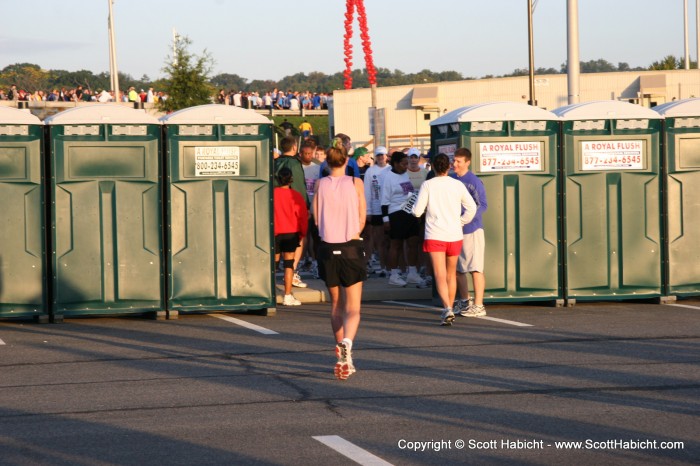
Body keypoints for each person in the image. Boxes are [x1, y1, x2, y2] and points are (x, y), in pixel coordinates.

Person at [314, 138, 367, 381]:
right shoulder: (356, 182)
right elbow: (362, 217)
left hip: (327, 246)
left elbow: (315, 218)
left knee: (336, 304)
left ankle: (341, 354)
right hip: (351, 245)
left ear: (327, 161)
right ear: (346, 161)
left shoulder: (320, 184)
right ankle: (347, 343)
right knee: (353, 306)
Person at [411, 153, 476, 325]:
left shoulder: (428, 185)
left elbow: (417, 211)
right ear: (448, 167)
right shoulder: (457, 185)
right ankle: (452, 305)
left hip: (435, 234)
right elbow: (471, 208)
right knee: (451, 273)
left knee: (439, 274)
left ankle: (446, 308)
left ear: (433, 167)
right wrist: (460, 221)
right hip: (454, 233)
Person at [451, 147, 489, 317]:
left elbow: (483, 205)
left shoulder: (473, 181)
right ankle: (465, 302)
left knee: (475, 268)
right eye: (454, 160)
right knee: (459, 270)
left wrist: (465, 220)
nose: (455, 164)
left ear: (467, 162)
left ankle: (479, 305)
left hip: (472, 230)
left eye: (458, 161)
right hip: (454, 232)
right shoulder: (451, 180)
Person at [380, 151, 426, 287]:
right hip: (395, 213)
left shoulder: (405, 174)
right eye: (403, 163)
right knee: (396, 245)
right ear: (395, 163)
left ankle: (412, 273)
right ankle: (393, 274)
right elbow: (384, 201)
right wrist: (385, 220)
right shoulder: (388, 177)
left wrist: (415, 212)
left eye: (407, 163)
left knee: (413, 242)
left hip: (408, 211)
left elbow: (409, 193)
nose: (406, 166)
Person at [274, 136, 310, 288]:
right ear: (294, 147)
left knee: (276, 248)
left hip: (276, 204)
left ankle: (273, 277)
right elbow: (299, 187)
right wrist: (305, 206)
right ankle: (293, 273)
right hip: (291, 204)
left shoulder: (276, 162)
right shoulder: (294, 163)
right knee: (297, 242)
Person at [274, 167, 309, 306]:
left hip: (275, 231)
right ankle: (287, 295)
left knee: (274, 264)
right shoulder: (296, 195)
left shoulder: (272, 194)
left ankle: (270, 292)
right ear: (291, 180)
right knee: (289, 264)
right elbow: (302, 216)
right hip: (291, 232)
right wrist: (302, 233)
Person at [363, 146, 391, 277]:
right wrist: (368, 210)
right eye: (378, 155)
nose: (381, 157)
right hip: (375, 209)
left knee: (389, 241)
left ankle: (390, 266)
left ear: (386, 156)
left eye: (383, 155)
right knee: (378, 240)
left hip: (389, 209)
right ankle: (381, 266)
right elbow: (367, 191)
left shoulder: (391, 170)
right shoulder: (370, 171)